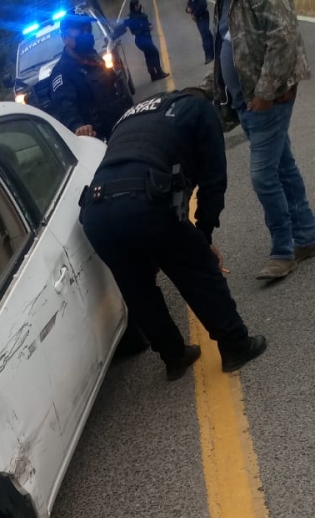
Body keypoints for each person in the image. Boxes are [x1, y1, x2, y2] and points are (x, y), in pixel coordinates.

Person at [79, 89, 266, 380]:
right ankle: (236, 345)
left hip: (96, 212)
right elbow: (213, 182)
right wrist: (203, 237)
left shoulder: (132, 114)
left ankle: (174, 357)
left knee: (137, 288)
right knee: (196, 270)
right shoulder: (200, 109)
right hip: (144, 201)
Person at [213, 0, 315, 280]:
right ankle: (306, 236)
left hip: (268, 99)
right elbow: (227, 42)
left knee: (263, 176)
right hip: (245, 99)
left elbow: (283, 36)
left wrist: (266, 92)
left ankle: (283, 252)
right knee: (282, 165)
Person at [49, 14, 133, 140]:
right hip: (99, 141)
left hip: (121, 130)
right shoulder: (62, 73)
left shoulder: (94, 58)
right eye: (81, 31)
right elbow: (66, 108)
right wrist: (78, 127)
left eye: (88, 29)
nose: (86, 34)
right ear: (65, 38)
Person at [124, 1, 168, 83]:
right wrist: (147, 27)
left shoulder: (140, 14)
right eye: (138, 5)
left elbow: (146, 22)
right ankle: (158, 72)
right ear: (135, 6)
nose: (140, 5)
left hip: (146, 38)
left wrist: (149, 25)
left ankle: (153, 75)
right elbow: (135, 30)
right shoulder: (132, 18)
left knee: (149, 56)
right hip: (141, 39)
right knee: (154, 53)